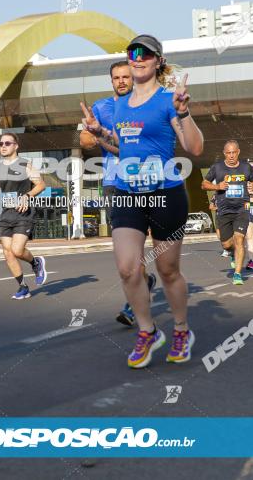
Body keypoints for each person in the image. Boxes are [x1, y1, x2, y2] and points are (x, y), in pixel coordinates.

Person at [82, 34, 203, 367]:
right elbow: (125, 146)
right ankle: (148, 331)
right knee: (127, 268)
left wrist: (185, 112)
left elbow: (194, 148)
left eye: (145, 54)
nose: (137, 58)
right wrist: (102, 135)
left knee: (167, 271)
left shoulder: (169, 100)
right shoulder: (119, 105)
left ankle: (180, 329)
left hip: (165, 193)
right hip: (126, 193)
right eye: (133, 52)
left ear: (158, 61)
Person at [83, 61, 157, 326]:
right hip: (115, 182)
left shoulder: (147, 104)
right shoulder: (101, 107)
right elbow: (84, 140)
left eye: (126, 76)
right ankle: (142, 286)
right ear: (111, 81)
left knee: (139, 246)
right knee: (129, 250)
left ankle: (137, 297)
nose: (122, 81)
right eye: (117, 77)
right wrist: (91, 132)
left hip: (144, 181)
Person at [0, 133, 48, 300]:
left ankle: (36, 263)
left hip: (23, 212)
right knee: (7, 252)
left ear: (16, 146)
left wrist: (27, 196)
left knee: (17, 250)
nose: (3, 146)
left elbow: (41, 184)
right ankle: (23, 287)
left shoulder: (25, 164)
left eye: (7, 143)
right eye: (1, 143)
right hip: (6, 213)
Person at [202, 141, 253, 285]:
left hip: (242, 209)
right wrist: (217, 186)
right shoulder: (217, 167)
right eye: (228, 153)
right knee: (226, 244)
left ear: (238, 152)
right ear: (224, 153)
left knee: (239, 239)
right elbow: (204, 184)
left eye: (234, 152)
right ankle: (232, 252)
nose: (231, 156)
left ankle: (237, 274)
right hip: (224, 210)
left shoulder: (246, 167)